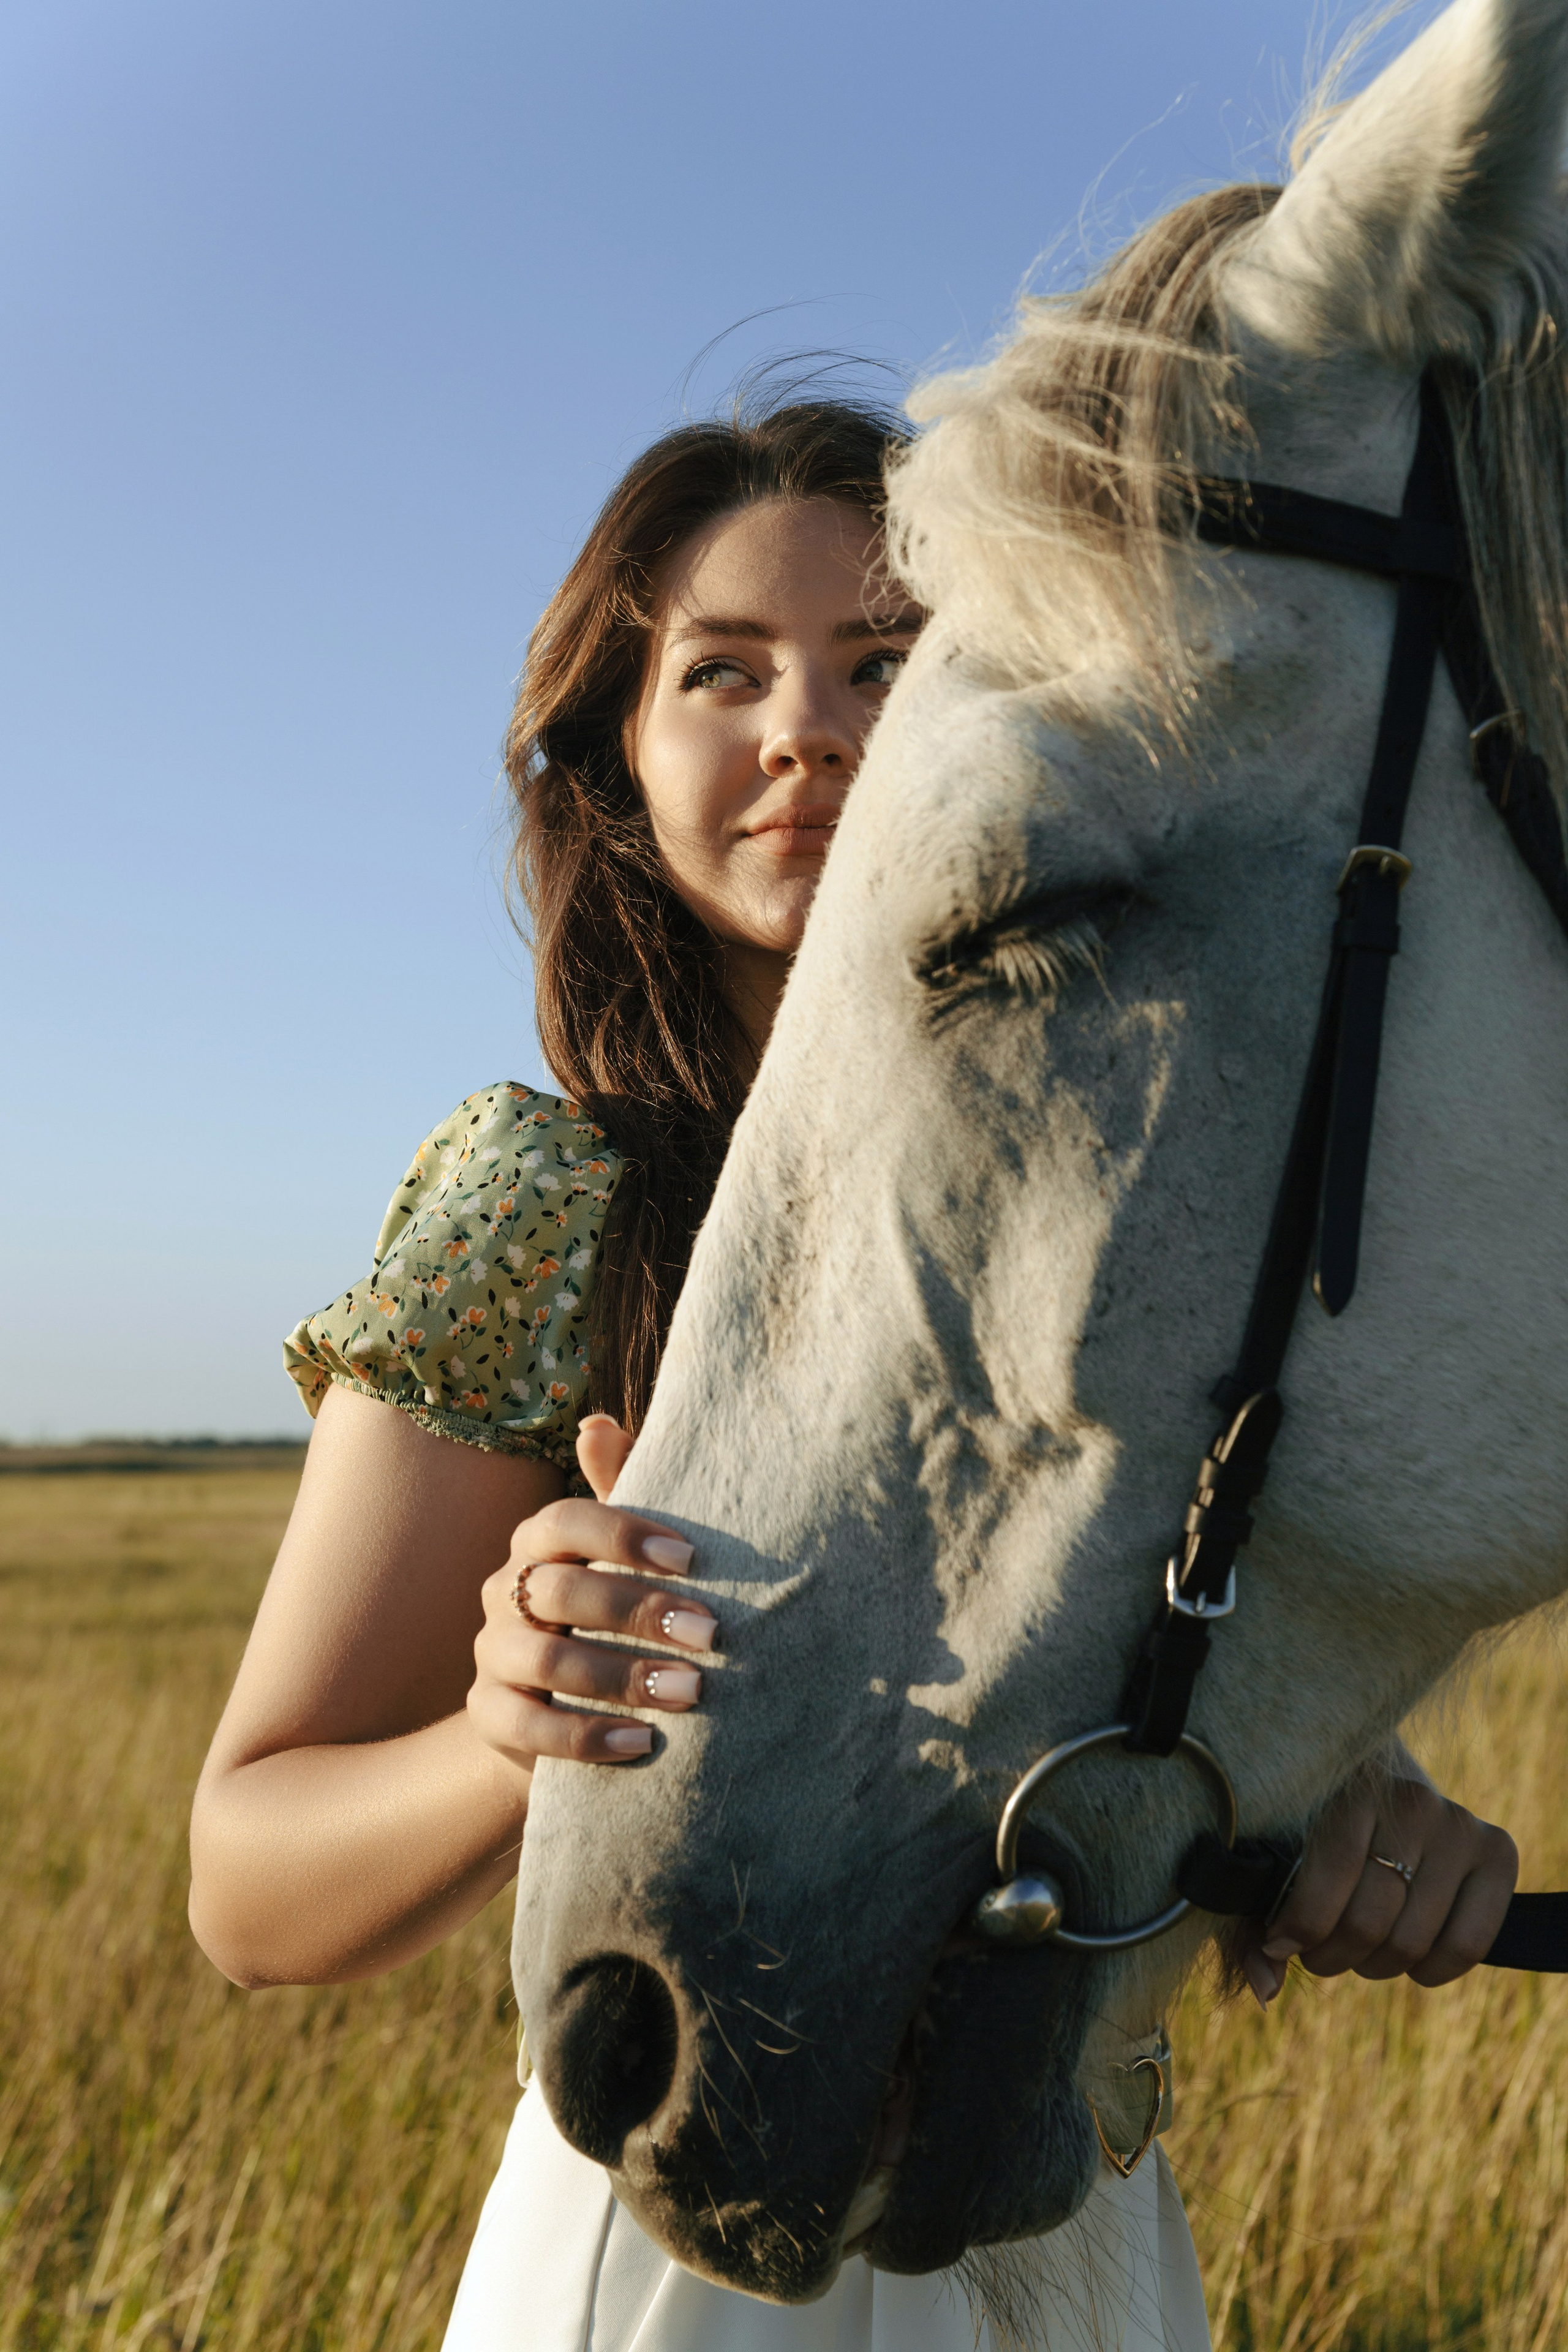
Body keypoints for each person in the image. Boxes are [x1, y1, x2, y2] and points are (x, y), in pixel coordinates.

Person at [188, 397, 1519, 2351]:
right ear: (615, 760)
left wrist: (1364, 1833)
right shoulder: (546, 1194)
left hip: (1087, 2228)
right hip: (684, 2253)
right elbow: (248, 1885)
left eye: (890, 662)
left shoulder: (1144, 1204)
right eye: (719, 671)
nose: (808, 727)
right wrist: (518, 1730)